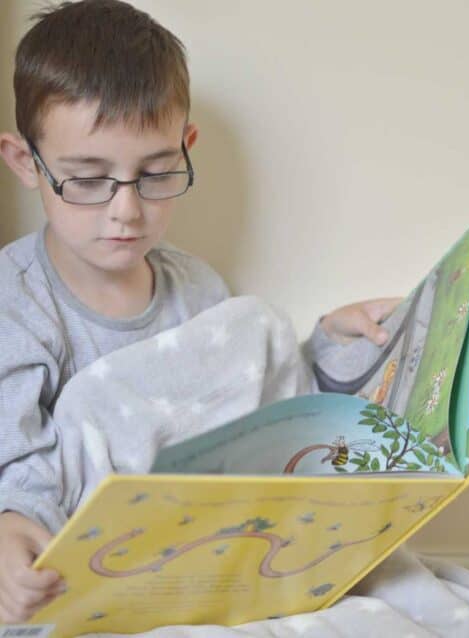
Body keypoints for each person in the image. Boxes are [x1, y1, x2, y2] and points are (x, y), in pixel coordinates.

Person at [0, 0, 398, 623]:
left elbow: (249, 416)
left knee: (256, 328)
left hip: (201, 556)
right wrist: (12, 526)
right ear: (27, 163)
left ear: (186, 148)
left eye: (156, 173)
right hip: (82, 564)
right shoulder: (16, 302)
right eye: (86, 179)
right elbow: (16, 455)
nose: (126, 211)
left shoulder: (197, 289)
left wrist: (328, 346)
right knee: (91, 407)